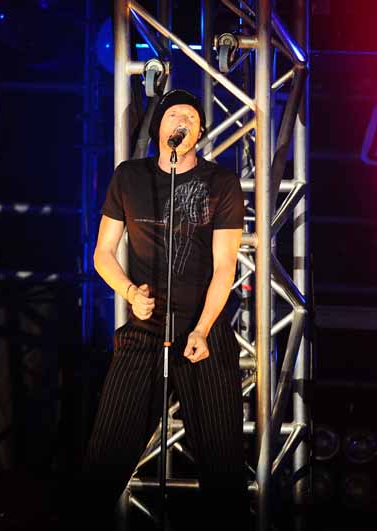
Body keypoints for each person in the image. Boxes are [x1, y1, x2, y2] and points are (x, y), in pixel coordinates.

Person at [80, 89, 248, 528]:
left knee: (223, 465)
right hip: (145, 327)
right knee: (106, 454)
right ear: (158, 127)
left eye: (191, 117)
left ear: (200, 132)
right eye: (174, 114)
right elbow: (102, 253)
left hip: (203, 331)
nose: (182, 122)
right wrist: (129, 292)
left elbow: (225, 266)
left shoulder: (221, 183)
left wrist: (203, 329)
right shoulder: (129, 177)